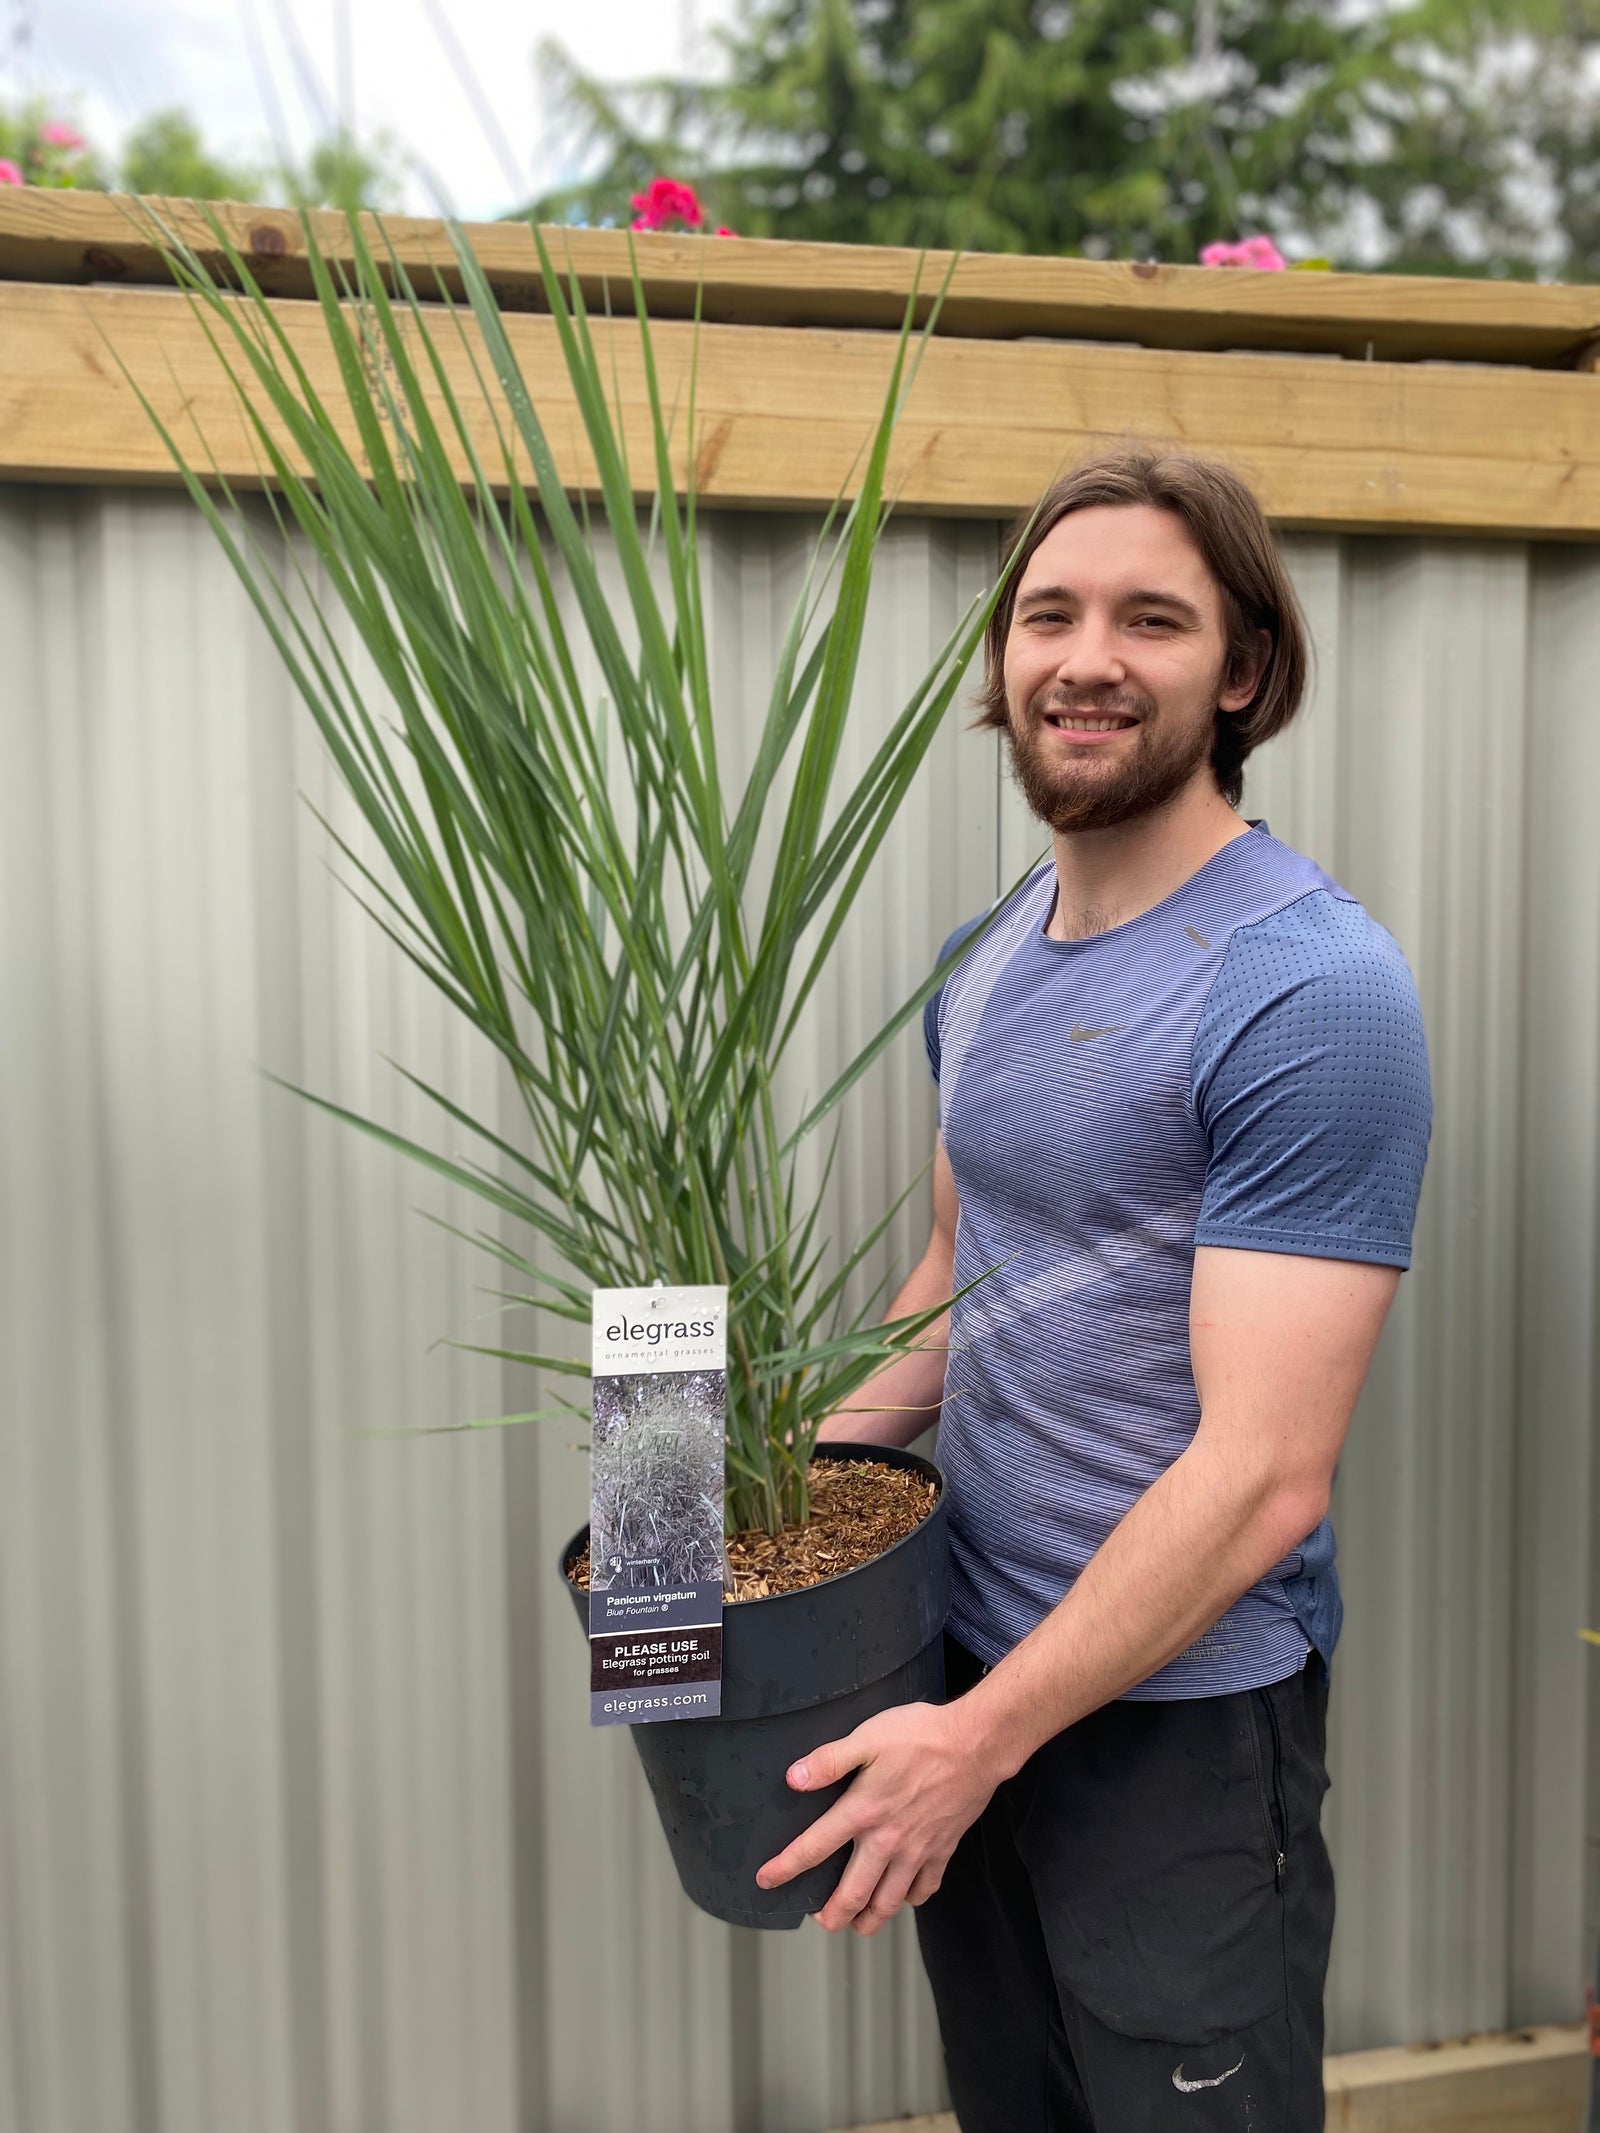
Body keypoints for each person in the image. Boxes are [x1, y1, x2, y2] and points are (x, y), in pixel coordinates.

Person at [755, 451, 1433, 2131]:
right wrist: (750, 1505)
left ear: (1243, 673)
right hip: (967, 1673)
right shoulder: (984, 959)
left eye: (1151, 618)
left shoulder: (1308, 985)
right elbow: (946, 1285)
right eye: (1047, 615)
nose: (1085, 657)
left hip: (1174, 1735)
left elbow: (1267, 1471)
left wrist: (977, 1738)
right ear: (1004, 666)